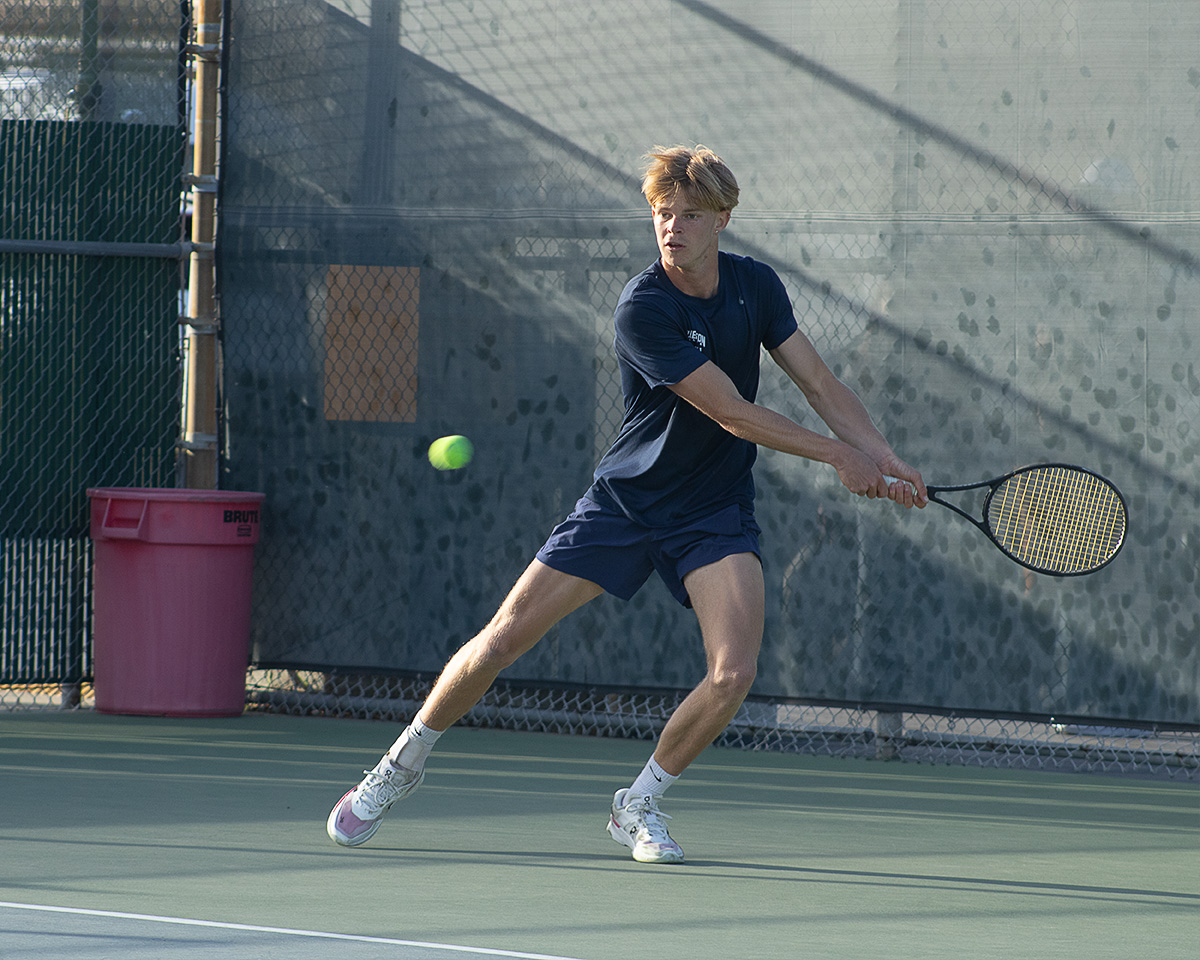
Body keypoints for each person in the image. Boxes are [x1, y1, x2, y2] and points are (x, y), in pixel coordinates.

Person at [327, 145, 927, 863]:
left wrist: (884, 457)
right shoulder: (643, 307)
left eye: (689, 215)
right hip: (628, 504)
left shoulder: (756, 288)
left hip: (714, 510)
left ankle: (637, 804)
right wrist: (838, 455)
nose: (672, 228)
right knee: (503, 639)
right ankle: (399, 766)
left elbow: (822, 386)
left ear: (722, 220)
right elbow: (731, 412)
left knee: (734, 674)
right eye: (662, 214)